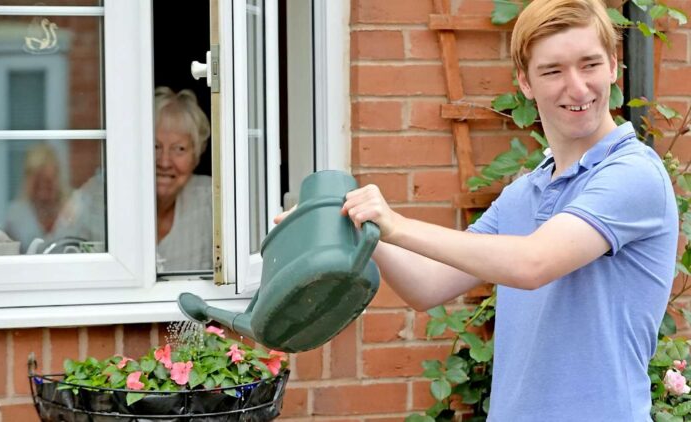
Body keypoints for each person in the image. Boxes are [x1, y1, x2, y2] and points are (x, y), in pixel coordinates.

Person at [278, 0, 678, 420]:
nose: (577, 88)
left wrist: (395, 223)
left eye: (589, 65)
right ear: (525, 82)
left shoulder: (633, 174)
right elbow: (428, 285)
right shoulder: (523, 193)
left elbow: (533, 263)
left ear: (613, 66)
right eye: (553, 71)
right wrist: (353, 224)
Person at [153, 86, 212, 272]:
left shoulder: (213, 200)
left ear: (195, 155)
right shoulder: (103, 199)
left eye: (179, 149)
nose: (164, 162)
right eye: (155, 146)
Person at [5, 143, 69, 253]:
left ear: (58, 179)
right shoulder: (15, 217)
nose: (43, 189)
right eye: (38, 182)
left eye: (48, 181)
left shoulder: (72, 211)